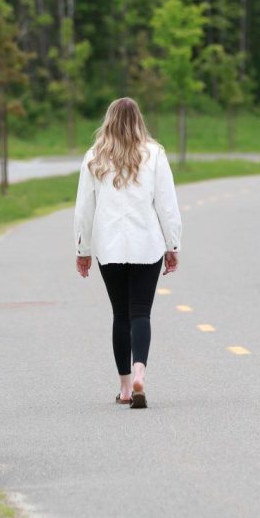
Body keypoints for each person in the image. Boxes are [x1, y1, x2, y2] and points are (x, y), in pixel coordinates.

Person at [74, 97, 182, 409]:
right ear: (138, 121)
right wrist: (172, 245)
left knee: (120, 314)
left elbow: (84, 208)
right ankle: (140, 374)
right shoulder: (154, 154)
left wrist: (82, 249)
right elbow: (167, 205)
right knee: (141, 313)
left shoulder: (95, 156)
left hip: (109, 247)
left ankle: (124, 387)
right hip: (147, 245)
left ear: (108, 120)